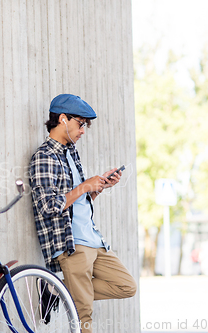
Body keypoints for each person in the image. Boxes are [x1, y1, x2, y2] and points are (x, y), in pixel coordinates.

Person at [29, 94, 137, 332]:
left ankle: (56, 288)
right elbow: (48, 206)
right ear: (63, 119)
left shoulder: (72, 153)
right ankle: (63, 288)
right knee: (83, 314)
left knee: (126, 286)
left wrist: (97, 188)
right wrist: (84, 186)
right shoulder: (45, 156)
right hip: (71, 244)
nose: (83, 131)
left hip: (94, 241)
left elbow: (78, 204)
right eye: (80, 124)